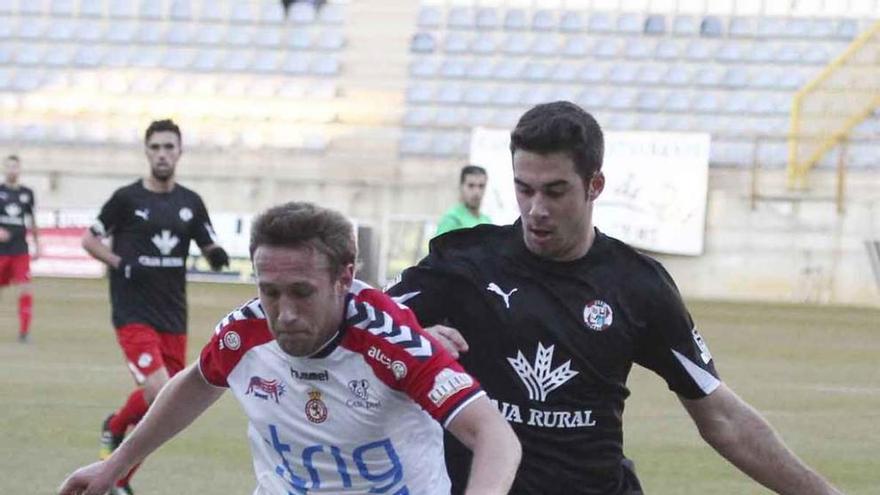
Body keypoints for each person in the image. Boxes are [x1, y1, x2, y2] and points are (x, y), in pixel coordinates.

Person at [386, 101, 843, 495]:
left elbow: (719, 416)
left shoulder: (637, 285)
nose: (536, 209)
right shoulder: (465, 262)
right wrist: (413, 341)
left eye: (555, 190)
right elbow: (353, 323)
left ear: (595, 185)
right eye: (524, 189)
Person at [59, 201, 521, 495]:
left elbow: (496, 438)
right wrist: (116, 466)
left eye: (302, 292)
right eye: (269, 291)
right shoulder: (245, 331)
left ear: (344, 276)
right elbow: (198, 382)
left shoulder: (394, 341)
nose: (284, 313)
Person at [80, 119, 230, 495]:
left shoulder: (190, 202)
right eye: (156, 147)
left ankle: (121, 477)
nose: (162, 154)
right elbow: (89, 239)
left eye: (169, 147)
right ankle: (115, 429)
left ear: (180, 152)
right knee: (161, 393)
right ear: (147, 152)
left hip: (173, 314)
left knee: (165, 404)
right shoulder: (126, 199)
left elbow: (207, 242)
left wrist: (216, 256)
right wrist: (120, 263)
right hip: (133, 313)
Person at [0, 154, 41, 343]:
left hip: (20, 250)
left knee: (25, 288)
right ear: (4, 169)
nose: (12, 170)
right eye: (9, 167)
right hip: (1, 251)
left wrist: (38, 244)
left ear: (20, 169)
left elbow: (32, 220)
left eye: (15, 167)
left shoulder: (27, 193)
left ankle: (24, 333)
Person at [435, 165, 492, 236]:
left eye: (481, 186)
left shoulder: (487, 221)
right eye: (471, 185)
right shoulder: (452, 219)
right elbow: (438, 246)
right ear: (461, 187)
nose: (476, 192)